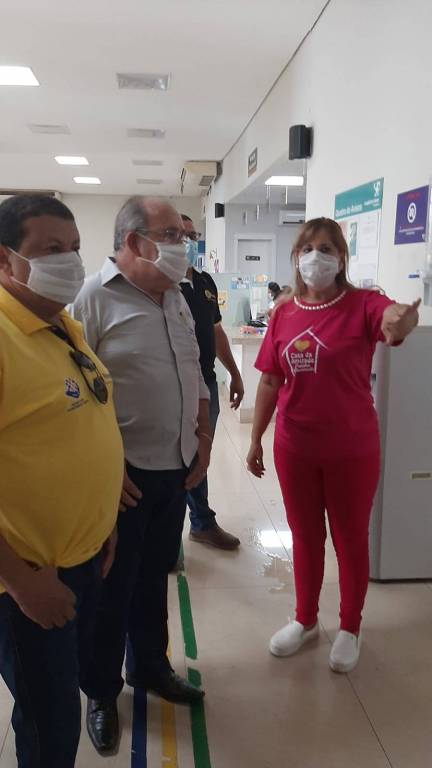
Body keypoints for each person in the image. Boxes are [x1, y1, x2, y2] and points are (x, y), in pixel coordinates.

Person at [247, 217, 420, 674]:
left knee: (349, 538)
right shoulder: (284, 312)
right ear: (295, 257)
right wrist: (256, 439)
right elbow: (270, 380)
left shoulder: (363, 303)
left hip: (351, 449)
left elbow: (391, 321)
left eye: (326, 249)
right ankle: (305, 620)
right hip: (294, 447)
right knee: (305, 536)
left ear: (342, 258)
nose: (315, 257)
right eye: (307, 248)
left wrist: (403, 319)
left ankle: (349, 627)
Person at [71, 197, 211, 756]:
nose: (184, 245)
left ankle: (149, 665)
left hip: (175, 467)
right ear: (134, 241)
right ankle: (101, 691)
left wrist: (203, 437)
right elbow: (72, 396)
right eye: (173, 235)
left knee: (155, 577)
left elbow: (194, 368)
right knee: (111, 588)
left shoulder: (176, 295)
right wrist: (101, 472)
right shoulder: (92, 299)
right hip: (122, 478)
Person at [0, 195, 124, 768]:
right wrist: (22, 583)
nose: (71, 261)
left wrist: (102, 522)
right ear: (6, 259)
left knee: (63, 696)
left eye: (74, 247)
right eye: (51, 249)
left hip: (84, 554)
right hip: (29, 577)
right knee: (50, 725)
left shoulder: (61, 324)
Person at [180, 214, 244, 550]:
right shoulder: (161, 284)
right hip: (174, 387)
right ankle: (168, 533)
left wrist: (234, 373)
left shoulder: (205, 282)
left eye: (193, 236)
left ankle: (201, 523)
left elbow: (216, 332)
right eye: (181, 235)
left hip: (206, 383)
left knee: (199, 455)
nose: (188, 242)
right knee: (173, 459)